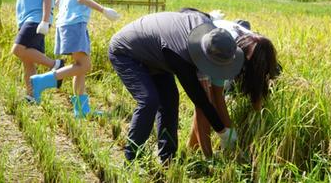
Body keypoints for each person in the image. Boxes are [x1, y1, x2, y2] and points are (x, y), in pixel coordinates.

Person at [108, 11, 244, 163]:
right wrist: (223, 131)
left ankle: (168, 159)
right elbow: (200, 100)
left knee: (170, 101)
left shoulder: (211, 33)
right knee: (149, 100)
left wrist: (223, 131)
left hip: (157, 53)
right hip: (126, 51)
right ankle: (131, 157)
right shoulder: (180, 55)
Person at [30, 0, 120, 117]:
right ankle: (41, 81)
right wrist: (104, 10)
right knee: (84, 65)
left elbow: (57, 2)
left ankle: (81, 109)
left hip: (67, 23)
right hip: (75, 24)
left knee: (80, 67)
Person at [186, 10, 279, 158]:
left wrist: (257, 122)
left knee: (207, 105)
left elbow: (258, 88)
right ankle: (194, 151)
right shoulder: (227, 52)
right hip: (207, 47)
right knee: (203, 102)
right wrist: (228, 133)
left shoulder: (259, 49)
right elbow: (216, 96)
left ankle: (194, 150)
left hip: (223, 44)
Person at [0, 0, 64, 102]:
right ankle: (32, 96)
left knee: (18, 50)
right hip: (25, 19)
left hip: (35, 19)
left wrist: (44, 20)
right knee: (27, 61)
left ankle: (55, 65)